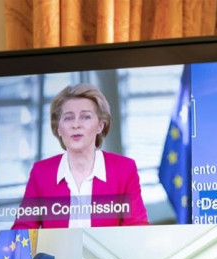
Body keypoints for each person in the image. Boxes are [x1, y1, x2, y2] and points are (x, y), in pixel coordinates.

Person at [13, 83, 149, 229]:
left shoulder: (124, 169)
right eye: (68, 118)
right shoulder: (41, 172)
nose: (76, 125)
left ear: (100, 126)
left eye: (85, 117)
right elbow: (22, 230)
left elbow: (137, 229)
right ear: (58, 128)